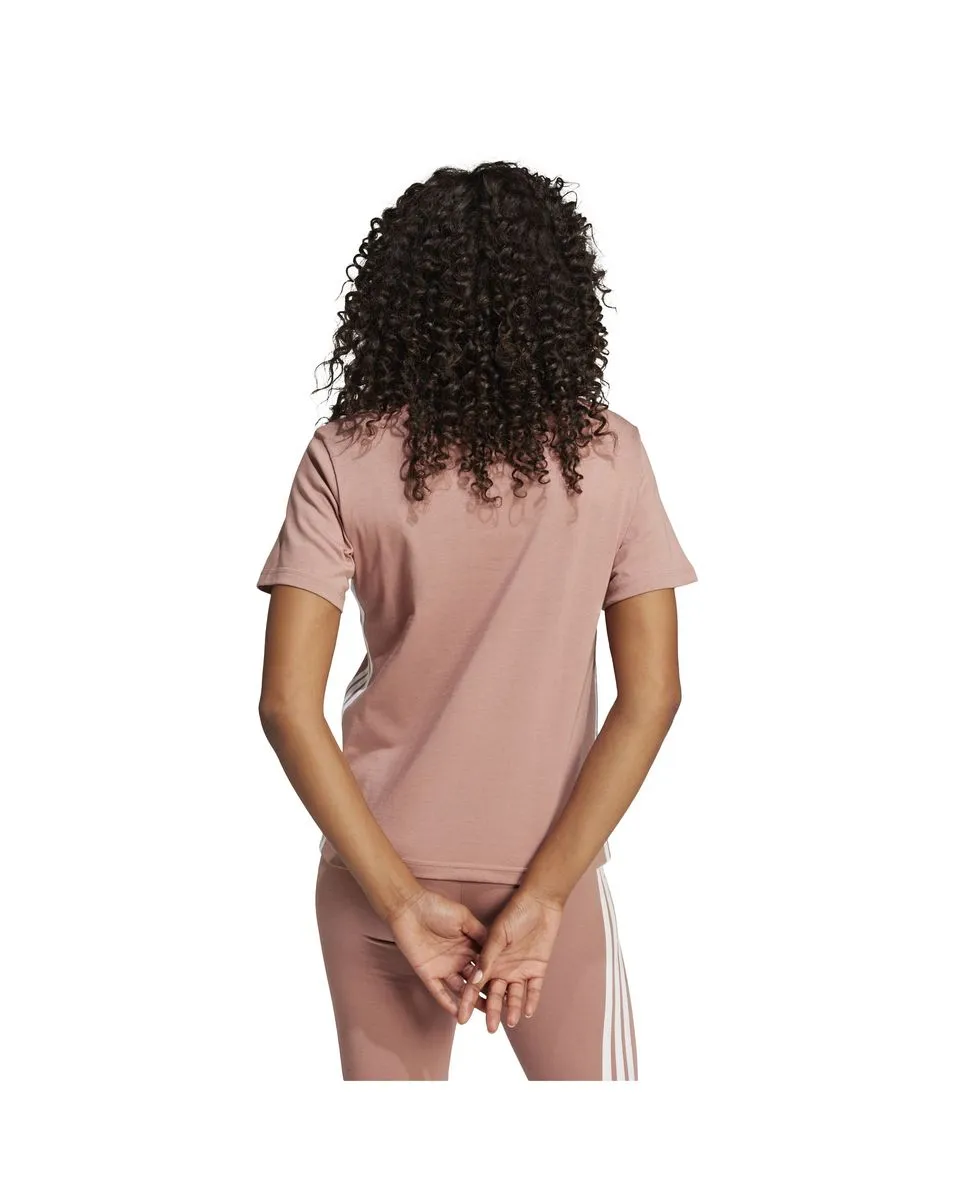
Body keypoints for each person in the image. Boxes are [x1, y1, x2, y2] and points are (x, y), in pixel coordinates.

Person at [255, 160, 698, 1081]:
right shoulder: (608, 456)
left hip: (380, 871)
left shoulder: (343, 455)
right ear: (562, 298)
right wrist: (545, 897)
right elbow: (652, 695)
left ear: (397, 299)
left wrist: (399, 900)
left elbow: (288, 706)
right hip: (550, 872)